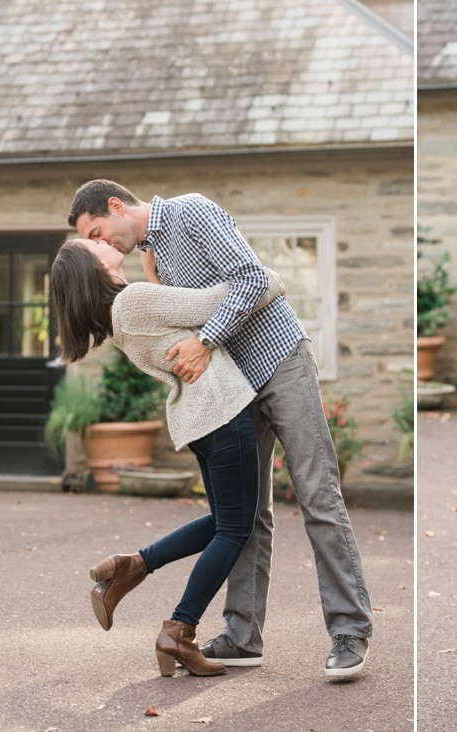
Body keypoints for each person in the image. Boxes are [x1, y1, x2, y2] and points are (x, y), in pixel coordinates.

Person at [67, 180, 373, 677]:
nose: (105, 245)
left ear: (117, 206)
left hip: (280, 360)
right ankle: (242, 634)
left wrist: (207, 340)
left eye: (100, 232)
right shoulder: (152, 260)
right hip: (234, 391)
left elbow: (252, 279)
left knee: (318, 495)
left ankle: (350, 629)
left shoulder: (191, 212)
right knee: (249, 516)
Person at [50, 238, 281, 676]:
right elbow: (226, 299)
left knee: (225, 522)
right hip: (221, 412)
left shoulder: (123, 314)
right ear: (91, 268)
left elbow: (171, 321)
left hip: (200, 419)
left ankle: (131, 566)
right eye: (92, 244)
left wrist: (154, 278)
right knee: (235, 529)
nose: (102, 241)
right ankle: (179, 628)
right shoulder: (135, 301)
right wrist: (271, 279)